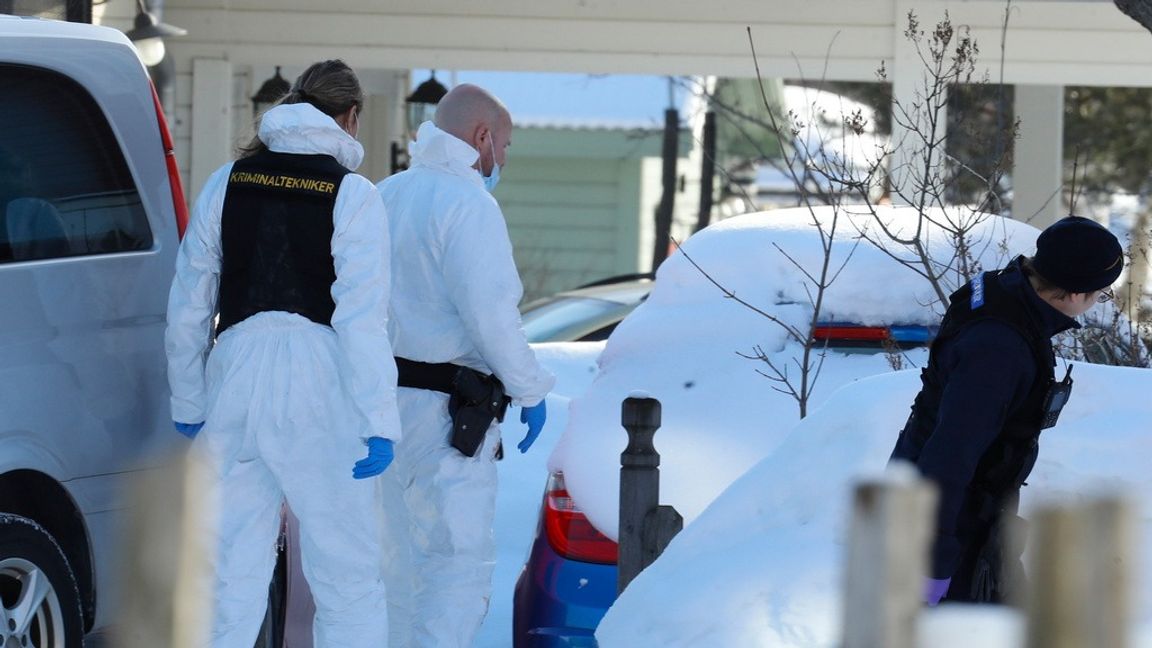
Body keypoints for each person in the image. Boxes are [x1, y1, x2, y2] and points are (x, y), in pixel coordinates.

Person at [165, 60, 400, 647]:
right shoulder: (355, 196)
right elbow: (362, 319)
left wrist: (189, 399)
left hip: (235, 376)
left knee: (223, 576)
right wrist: (379, 420)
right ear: (349, 117)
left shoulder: (227, 181)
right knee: (347, 576)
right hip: (323, 385)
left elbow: (190, 300)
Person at [375, 83, 555, 647]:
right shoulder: (469, 205)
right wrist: (530, 389)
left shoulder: (383, 194)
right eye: (503, 144)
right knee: (456, 563)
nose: (502, 158)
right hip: (446, 417)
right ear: (481, 137)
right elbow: (491, 315)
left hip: (377, 406)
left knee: (393, 568)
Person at [890, 215, 1124, 606]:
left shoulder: (1005, 292)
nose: (1097, 303)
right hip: (946, 520)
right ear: (1073, 293)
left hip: (968, 515)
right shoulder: (998, 350)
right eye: (1100, 293)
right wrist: (933, 563)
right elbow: (950, 454)